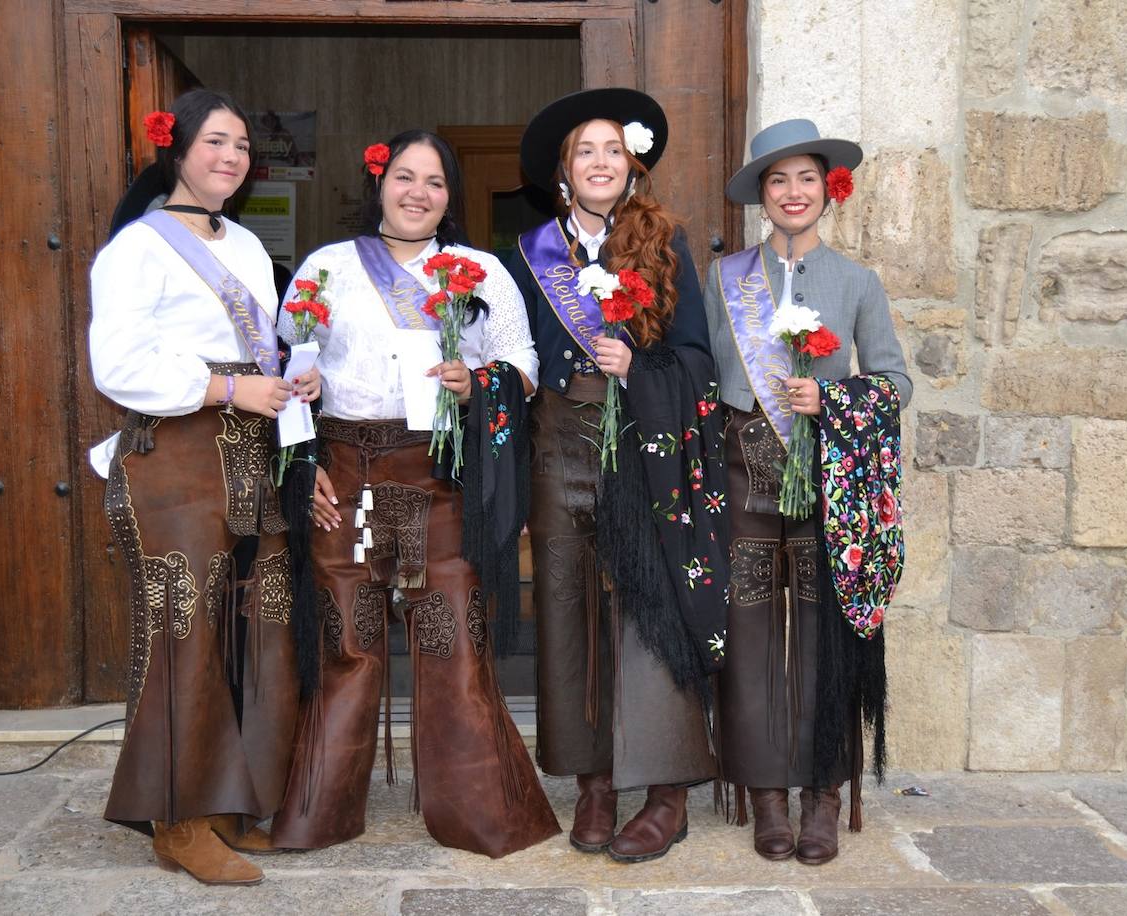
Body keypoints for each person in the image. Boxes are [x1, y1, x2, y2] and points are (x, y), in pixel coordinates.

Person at [269, 129, 561, 859]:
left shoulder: (477, 270)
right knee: (348, 640)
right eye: (405, 176)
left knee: (451, 638)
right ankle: (322, 812)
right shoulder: (327, 267)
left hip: (437, 473)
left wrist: (479, 382)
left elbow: (523, 362)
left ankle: (479, 813)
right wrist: (306, 466)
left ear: (448, 197)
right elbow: (285, 370)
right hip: (348, 470)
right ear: (380, 183)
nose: (417, 193)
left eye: (434, 182)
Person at [88, 88, 336, 885]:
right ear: (178, 149)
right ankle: (177, 820)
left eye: (239, 147)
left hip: (249, 459)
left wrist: (287, 388)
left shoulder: (246, 248)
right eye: (214, 143)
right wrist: (231, 392)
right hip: (176, 463)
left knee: (254, 632)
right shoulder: (137, 248)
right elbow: (120, 368)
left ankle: (230, 799)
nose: (229, 158)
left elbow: (260, 355)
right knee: (184, 634)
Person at [506, 89, 731, 864]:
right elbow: (517, 358)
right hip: (559, 451)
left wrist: (641, 367)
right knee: (569, 614)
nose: (599, 163)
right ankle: (594, 780)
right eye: (584, 152)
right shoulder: (528, 253)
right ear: (564, 173)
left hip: (645, 446)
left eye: (611, 150)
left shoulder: (663, 242)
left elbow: (700, 359)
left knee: (650, 610)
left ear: (630, 165)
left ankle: (667, 792)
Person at [704, 118, 911, 864]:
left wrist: (835, 400)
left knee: (827, 645)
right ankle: (766, 797)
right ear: (761, 194)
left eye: (806, 179)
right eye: (778, 179)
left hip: (831, 486)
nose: (793, 192)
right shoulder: (724, 278)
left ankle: (823, 792)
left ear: (828, 190)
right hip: (742, 477)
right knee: (750, 643)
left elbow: (896, 382)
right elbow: (702, 382)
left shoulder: (857, 282)